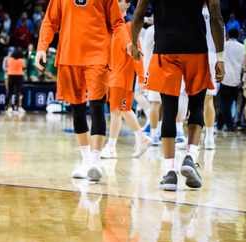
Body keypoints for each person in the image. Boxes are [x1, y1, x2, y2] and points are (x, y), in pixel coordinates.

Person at [36, 0, 139, 181]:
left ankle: (95, 160)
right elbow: (50, 22)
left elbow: (117, 23)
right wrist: (41, 47)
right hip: (69, 55)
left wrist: (127, 44)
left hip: (97, 55)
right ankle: (85, 161)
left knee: (97, 106)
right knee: (77, 108)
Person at [132, 0, 225, 191]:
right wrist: (220, 57)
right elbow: (216, 18)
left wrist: (133, 43)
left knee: (169, 108)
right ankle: (190, 156)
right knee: (197, 105)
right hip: (196, 48)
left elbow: (139, 14)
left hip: (166, 49)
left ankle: (170, 173)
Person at [101, 0, 152, 160]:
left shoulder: (130, 25)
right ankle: (111, 147)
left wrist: (142, 77)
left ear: (127, 5)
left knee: (122, 110)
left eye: (120, 1)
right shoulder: (111, 25)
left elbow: (139, 52)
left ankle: (141, 139)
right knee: (115, 110)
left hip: (123, 75)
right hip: (112, 74)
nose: (116, 3)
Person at [218, 28, 244, 131]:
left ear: (227, 35)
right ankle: (220, 124)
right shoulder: (242, 47)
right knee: (229, 103)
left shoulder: (224, 45)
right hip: (236, 79)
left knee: (224, 103)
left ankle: (230, 125)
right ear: (238, 36)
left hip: (225, 78)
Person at [202, 4, 220, 150]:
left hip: (195, 56)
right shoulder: (216, 13)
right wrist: (221, 59)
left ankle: (184, 135)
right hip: (212, 57)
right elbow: (221, 38)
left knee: (191, 98)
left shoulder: (190, 11)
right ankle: (208, 138)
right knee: (208, 99)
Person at [142, 20, 162, 146]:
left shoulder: (151, 30)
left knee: (155, 103)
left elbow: (146, 53)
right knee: (167, 104)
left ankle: (154, 134)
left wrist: (146, 73)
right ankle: (160, 132)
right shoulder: (173, 26)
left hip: (153, 69)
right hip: (170, 69)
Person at [5, 48, 26, 112]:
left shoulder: (9, 60)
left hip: (11, 76)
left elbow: (8, 66)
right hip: (19, 76)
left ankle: (8, 107)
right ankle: (16, 107)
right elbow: (24, 68)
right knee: (17, 92)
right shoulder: (22, 60)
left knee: (9, 92)